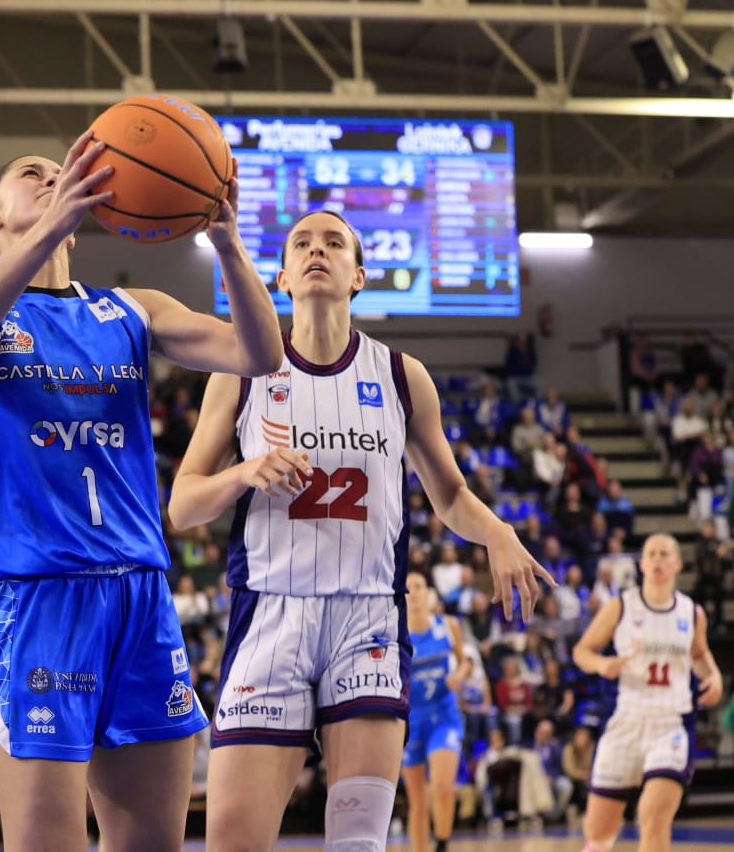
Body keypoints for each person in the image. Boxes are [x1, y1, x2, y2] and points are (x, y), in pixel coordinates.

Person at [0, 130, 283, 852]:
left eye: (63, 174)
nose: (55, 178)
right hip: (36, 598)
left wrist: (230, 247)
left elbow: (260, 353)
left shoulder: (131, 309)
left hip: (140, 597)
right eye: (33, 174)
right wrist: (54, 223)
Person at [166, 209, 554, 852]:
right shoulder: (238, 374)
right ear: (282, 277)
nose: (318, 251)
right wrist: (245, 473)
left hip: (368, 620)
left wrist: (500, 534)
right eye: (302, 244)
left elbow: (451, 495)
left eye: (334, 243)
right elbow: (182, 506)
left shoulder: (402, 376)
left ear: (359, 276)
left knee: (358, 844)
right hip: (269, 617)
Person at [572, 534, 724, 852]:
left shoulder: (692, 612)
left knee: (653, 817)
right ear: (641, 564)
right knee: (598, 830)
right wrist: (603, 664)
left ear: (677, 564)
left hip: (671, 723)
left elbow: (698, 653)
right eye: (651, 554)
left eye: (664, 553)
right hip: (626, 720)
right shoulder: (621, 606)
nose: (657, 559)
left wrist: (715, 676)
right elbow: (582, 651)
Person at [400, 572, 470, 852]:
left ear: (429, 593)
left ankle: (442, 844)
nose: (414, 592)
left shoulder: (448, 625)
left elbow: (466, 663)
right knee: (417, 802)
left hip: (444, 715)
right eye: (408, 588)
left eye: (418, 586)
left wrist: (460, 675)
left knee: (443, 788)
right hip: (411, 719)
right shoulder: (396, 634)